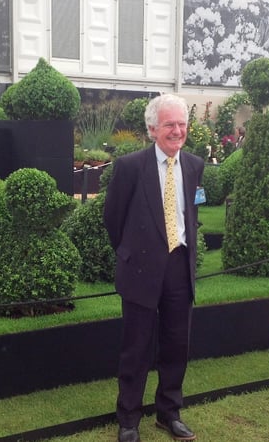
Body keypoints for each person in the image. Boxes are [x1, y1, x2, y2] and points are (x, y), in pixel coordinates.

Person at [103, 94, 205, 442]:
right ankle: (129, 419)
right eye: (169, 125)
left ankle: (168, 413)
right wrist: (131, 253)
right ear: (152, 129)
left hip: (180, 266)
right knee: (137, 347)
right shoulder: (130, 167)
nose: (177, 131)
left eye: (182, 124)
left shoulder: (193, 165)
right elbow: (113, 218)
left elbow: (192, 213)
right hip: (141, 270)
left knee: (177, 343)